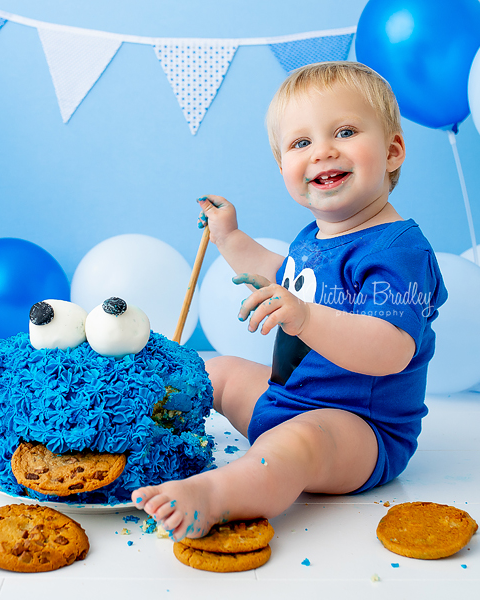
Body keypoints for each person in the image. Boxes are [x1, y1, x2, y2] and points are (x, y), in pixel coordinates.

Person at [132, 61, 447, 541]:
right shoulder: (318, 237)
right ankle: (129, 433)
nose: (323, 151)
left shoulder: (397, 251)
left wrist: (303, 317)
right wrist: (230, 237)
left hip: (357, 433)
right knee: (211, 371)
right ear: (283, 166)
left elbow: (391, 348)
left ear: (392, 151)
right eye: (301, 143)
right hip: (285, 400)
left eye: (344, 131)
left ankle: (216, 496)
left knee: (294, 445)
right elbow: (279, 273)